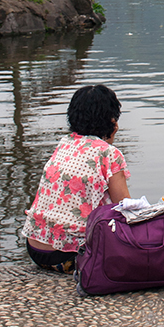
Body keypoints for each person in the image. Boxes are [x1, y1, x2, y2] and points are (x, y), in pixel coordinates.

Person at [22, 84, 131, 273]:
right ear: (112, 121)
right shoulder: (109, 154)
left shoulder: (64, 144)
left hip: (35, 249)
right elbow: (127, 209)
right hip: (70, 256)